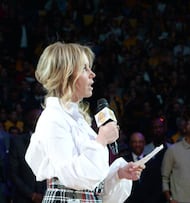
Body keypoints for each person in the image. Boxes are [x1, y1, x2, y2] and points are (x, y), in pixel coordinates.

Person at [24, 42, 145, 203]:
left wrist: (119, 174)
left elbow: (90, 184)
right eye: (84, 68)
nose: (92, 74)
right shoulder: (53, 118)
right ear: (66, 75)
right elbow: (74, 177)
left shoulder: (77, 120)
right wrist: (101, 140)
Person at [161, 115, 190, 203]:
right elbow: (164, 178)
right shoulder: (173, 150)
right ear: (184, 129)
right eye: (189, 123)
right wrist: (170, 199)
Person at [8, 109, 46, 203]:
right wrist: (31, 195)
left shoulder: (51, 142)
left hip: (46, 197)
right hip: (24, 198)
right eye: (36, 119)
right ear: (30, 121)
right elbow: (13, 174)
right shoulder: (17, 142)